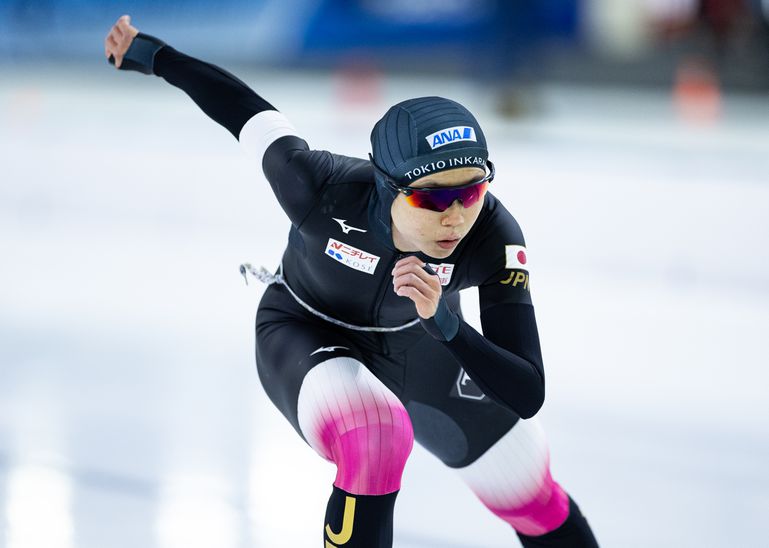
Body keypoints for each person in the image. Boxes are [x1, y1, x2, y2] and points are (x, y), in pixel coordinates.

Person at [105, 15, 599, 548]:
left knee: (529, 489)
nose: (456, 217)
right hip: (305, 330)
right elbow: (243, 110)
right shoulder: (320, 186)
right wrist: (152, 54)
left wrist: (449, 325)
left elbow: (526, 390)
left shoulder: (494, 236)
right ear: (386, 188)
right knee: (376, 434)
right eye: (432, 198)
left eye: (473, 191)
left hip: (421, 341)